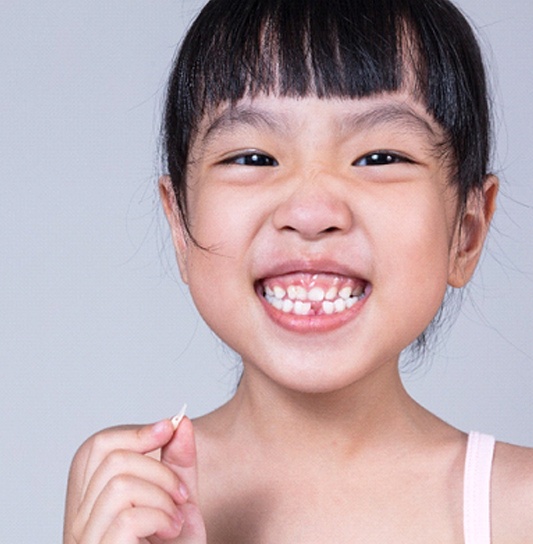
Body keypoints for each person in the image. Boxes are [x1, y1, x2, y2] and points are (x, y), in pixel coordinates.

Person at [63, 0, 533, 542]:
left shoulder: (516, 506)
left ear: (467, 232)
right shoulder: (130, 484)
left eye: (380, 158)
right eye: (253, 158)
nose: (310, 213)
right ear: (179, 224)